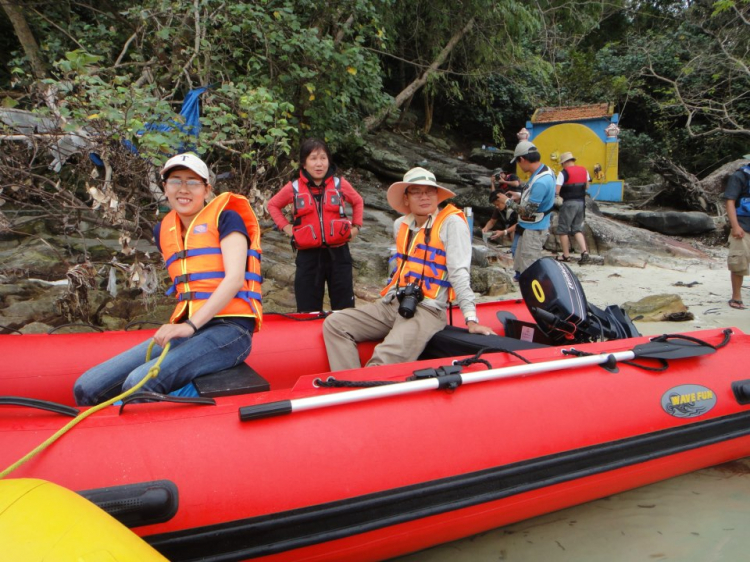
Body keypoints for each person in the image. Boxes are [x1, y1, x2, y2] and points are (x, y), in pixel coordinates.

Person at [74, 153, 262, 405]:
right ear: (165, 187)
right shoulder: (162, 230)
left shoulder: (227, 218)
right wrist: (187, 327)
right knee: (87, 387)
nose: (183, 189)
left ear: (207, 190)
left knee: (138, 383)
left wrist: (190, 326)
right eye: (176, 181)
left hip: (231, 331)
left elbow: (235, 279)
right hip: (191, 330)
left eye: (193, 182)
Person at [322, 167, 496, 371]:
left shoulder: (452, 223)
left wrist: (471, 319)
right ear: (406, 198)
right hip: (395, 302)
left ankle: (364, 388)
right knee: (335, 324)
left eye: (430, 191)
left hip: (427, 309)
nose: (424, 197)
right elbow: (400, 268)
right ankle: (348, 384)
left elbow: (459, 273)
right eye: (416, 191)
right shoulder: (400, 225)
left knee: (381, 361)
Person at [267, 138, 364, 312]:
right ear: (304, 163)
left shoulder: (339, 184)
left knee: (345, 311)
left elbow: (357, 201)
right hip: (308, 257)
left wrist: (356, 226)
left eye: (323, 158)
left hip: (339, 255)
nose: (319, 164)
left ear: (329, 161)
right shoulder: (294, 187)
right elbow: (273, 205)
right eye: (313, 158)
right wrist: (287, 228)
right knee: (307, 309)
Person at [493, 141, 556, 276]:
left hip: (534, 230)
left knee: (529, 268)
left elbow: (528, 211)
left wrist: (507, 201)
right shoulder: (546, 171)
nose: (518, 166)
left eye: (518, 162)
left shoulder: (541, 182)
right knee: (520, 264)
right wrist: (520, 196)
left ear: (522, 159)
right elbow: (538, 199)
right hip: (528, 227)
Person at [722, 155, 750, 310]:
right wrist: (735, 226)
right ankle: (736, 297)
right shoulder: (739, 176)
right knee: (739, 262)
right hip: (743, 226)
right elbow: (730, 201)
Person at [555, 151, 591, 264]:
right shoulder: (584, 170)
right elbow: (587, 186)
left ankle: (566, 255)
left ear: (565, 162)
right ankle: (584, 252)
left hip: (569, 203)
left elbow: (557, 191)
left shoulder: (563, 173)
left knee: (563, 229)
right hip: (581, 202)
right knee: (577, 229)